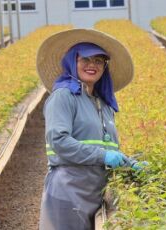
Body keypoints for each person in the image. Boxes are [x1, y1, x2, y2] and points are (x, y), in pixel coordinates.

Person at [36, 28, 140, 230]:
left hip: (95, 192)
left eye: (99, 60)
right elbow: (59, 142)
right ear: (72, 61)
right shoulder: (63, 96)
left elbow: (107, 148)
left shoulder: (102, 103)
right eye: (85, 59)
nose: (92, 65)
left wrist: (131, 163)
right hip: (68, 191)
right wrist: (103, 156)